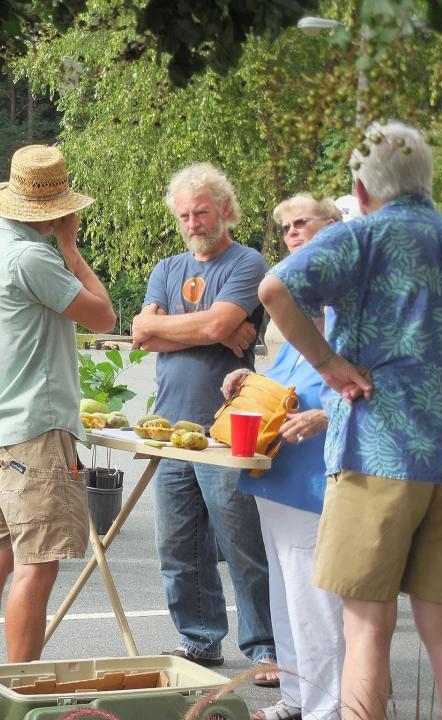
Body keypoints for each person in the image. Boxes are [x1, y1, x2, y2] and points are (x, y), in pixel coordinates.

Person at [258, 120, 442, 720]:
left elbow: (275, 288)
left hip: (381, 454)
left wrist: (330, 364)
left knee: (366, 627)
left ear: (360, 192)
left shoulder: (364, 236)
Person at [0, 145, 116, 694]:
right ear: (56, 211)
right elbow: (104, 315)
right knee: (37, 565)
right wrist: (70, 247)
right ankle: (18, 693)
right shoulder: (34, 258)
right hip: (36, 431)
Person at [129, 163, 276, 681]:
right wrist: (211, 330)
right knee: (179, 544)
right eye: (186, 214)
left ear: (226, 212)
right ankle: (199, 640)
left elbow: (209, 323)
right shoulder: (167, 267)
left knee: (241, 543)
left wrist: (204, 326)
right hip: (170, 428)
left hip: (226, 428)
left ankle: (265, 647)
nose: (193, 222)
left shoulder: (247, 262)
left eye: (203, 212)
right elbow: (141, 334)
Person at [226, 193, 345, 720]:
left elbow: (376, 388)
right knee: (286, 592)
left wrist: (325, 417)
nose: (292, 233)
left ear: (336, 229)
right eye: (286, 228)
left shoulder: (353, 307)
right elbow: (285, 381)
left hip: (316, 478)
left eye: (303, 224)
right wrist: (249, 379)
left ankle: (328, 707)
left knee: (316, 600)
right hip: (276, 474)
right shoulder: (299, 310)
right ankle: (298, 697)